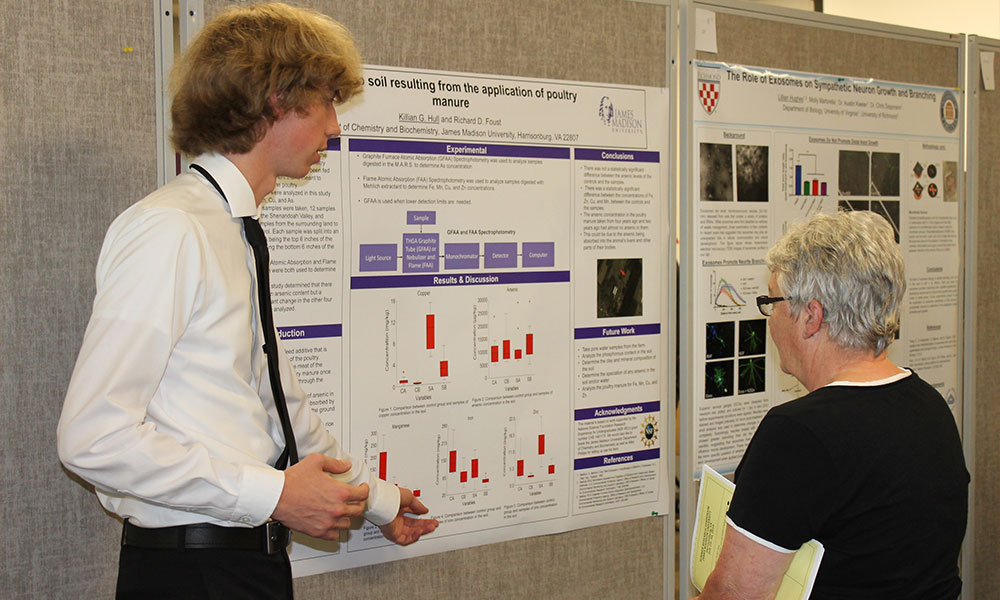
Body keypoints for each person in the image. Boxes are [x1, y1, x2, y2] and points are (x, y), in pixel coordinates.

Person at [57, 4, 437, 598]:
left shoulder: (233, 228)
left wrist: (376, 499)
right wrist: (277, 494)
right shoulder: (171, 228)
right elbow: (93, 437)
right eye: (328, 101)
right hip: (192, 571)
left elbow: (276, 399)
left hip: (245, 564)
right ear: (276, 100)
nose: (335, 128)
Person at [696, 211, 968, 600]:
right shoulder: (929, 406)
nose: (769, 319)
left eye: (772, 301)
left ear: (811, 316)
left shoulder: (799, 434)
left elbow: (734, 595)